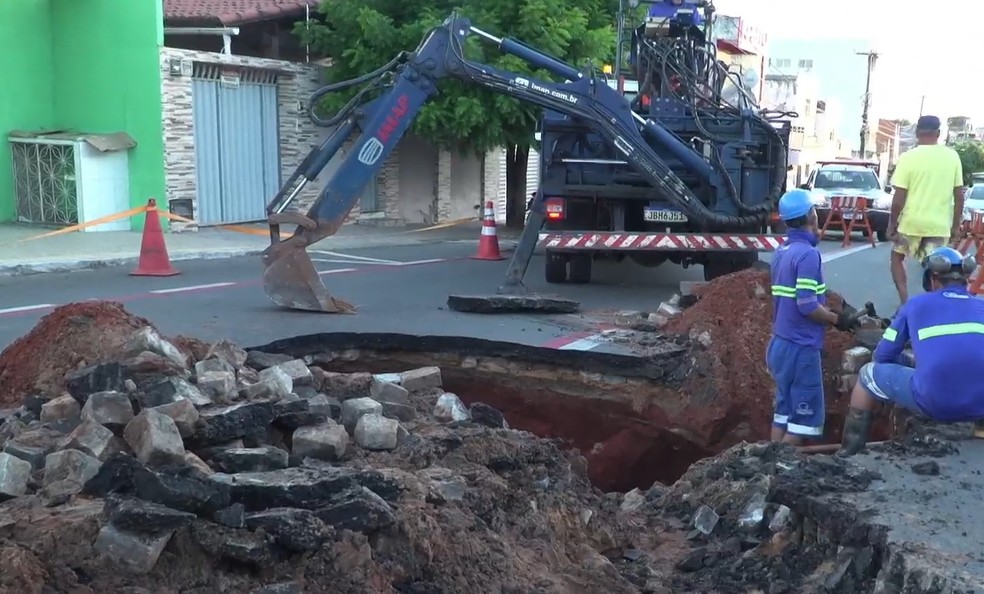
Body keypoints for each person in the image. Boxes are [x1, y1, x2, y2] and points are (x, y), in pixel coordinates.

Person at [839, 246, 984, 456]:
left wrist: (908, 361)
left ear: (933, 279)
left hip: (936, 402)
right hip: (980, 402)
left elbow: (882, 356)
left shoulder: (915, 305)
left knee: (868, 374)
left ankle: (849, 452)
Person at [768, 189, 856, 444]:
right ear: (811, 216)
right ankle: (777, 473)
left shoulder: (782, 252)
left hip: (780, 345)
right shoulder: (808, 255)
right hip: (800, 348)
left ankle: (765, 467)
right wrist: (836, 320)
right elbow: (807, 306)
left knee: (783, 413)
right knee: (803, 421)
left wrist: (830, 309)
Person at [887, 115, 965, 307]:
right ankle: (934, 305)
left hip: (911, 224)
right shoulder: (952, 156)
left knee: (897, 258)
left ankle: (905, 302)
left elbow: (898, 199)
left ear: (916, 133)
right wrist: (956, 226)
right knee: (939, 268)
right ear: (938, 133)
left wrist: (891, 225)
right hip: (938, 227)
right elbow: (959, 196)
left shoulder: (908, 158)